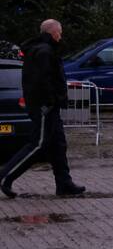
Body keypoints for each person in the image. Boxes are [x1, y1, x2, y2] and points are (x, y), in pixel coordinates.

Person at [0, 19, 86, 198]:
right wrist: (50, 101)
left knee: (58, 145)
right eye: (60, 32)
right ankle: (5, 176)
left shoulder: (42, 49)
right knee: (38, 144)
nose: (61, 36)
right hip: (45, 107)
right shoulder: (44, 52)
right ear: (53, 32)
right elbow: (41, 81)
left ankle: (64, 183)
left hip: (49, 106)